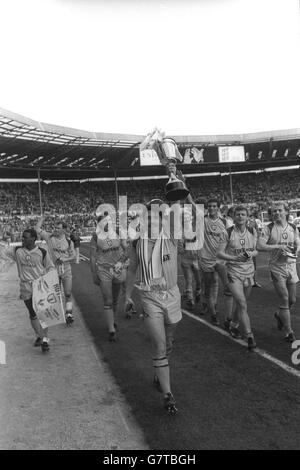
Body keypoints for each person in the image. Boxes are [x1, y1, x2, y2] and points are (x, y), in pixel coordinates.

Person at [125, 189, 202, 414]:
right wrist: (128, 296)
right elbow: (131, 270)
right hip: (149, 297)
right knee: (159, 345)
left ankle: (158, 372)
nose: (152, 219)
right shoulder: (137, 242)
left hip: (172, 295)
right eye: (148, 215)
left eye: (157, 215)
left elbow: (197, 218)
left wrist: (185, 193)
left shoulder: (171, 236)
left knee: (168, 342)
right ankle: (168, 395)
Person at [0, 229, 55, 352]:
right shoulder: (17, 251)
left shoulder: (42, 252)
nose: (22, 239)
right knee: (32, 313)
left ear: (33, 239)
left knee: (43, 313)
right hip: (25, 286)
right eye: (22, 237)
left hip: (40, 285)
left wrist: (48, 281)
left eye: (25, 237)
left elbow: (50, 267)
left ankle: (45, 339)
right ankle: (39, 336)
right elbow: (3, 252)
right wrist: (3, 242)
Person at [217, 205, 258, 351]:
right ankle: (250, 336)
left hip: (249, 272)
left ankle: (233, 325)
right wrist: (235, 258)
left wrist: (249, 254)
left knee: (242, 303)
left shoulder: (253, 230)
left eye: (243, 214)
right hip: (233, 272)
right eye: (238, 214)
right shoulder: (227, 232)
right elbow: (220, 253)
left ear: (247, 217)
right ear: (233, 217)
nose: (240, 216)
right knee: (241, 303)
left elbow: (255, 251)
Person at [257, 203, 300, 343]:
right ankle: (289, 332)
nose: (276, 213)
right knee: (284, 297)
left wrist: (297, 248)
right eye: (274, 211)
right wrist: (278, 246)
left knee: (292, 300)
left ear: (286, 212)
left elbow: (297, 241)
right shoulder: (268, 228)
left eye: (280, 210)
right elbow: (260, 245)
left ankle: (279, 314)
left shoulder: (293, 227)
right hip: (277, 267)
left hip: (291, 266)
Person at [90, 211, 129, 341]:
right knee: (108, 300)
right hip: (103, 270)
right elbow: (92, 256)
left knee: (116, 300)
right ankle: (111, 330)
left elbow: (127, 249)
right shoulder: (96, 237)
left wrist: (123, 261)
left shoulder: (118, 232)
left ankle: (113, 320)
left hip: (118, 269)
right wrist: (94, 273)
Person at [36, 217, 76, 325]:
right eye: (55, 228)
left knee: (67, 293)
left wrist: (65, 259)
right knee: (56, 295)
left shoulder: (68, 241)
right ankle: (58, 315)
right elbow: (37, 229)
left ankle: (69, 313)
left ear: (64, 230)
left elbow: (73, 255)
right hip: (53, 271)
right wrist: (43, 217)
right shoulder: (49, 237)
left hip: (66, 270)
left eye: (58, 228)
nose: (56, 230)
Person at [198, 198, 228, 325]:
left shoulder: (225, 222)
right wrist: (183, 186)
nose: (211, 208)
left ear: (218, 208)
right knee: (209, 288)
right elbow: (193, 205)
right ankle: (213, 314)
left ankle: (220, 311)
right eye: (209, 206)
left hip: (220, 260)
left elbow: (229, 239)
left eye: (214, 206)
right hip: (206, 259)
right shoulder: (202, 220)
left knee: (227, 288)